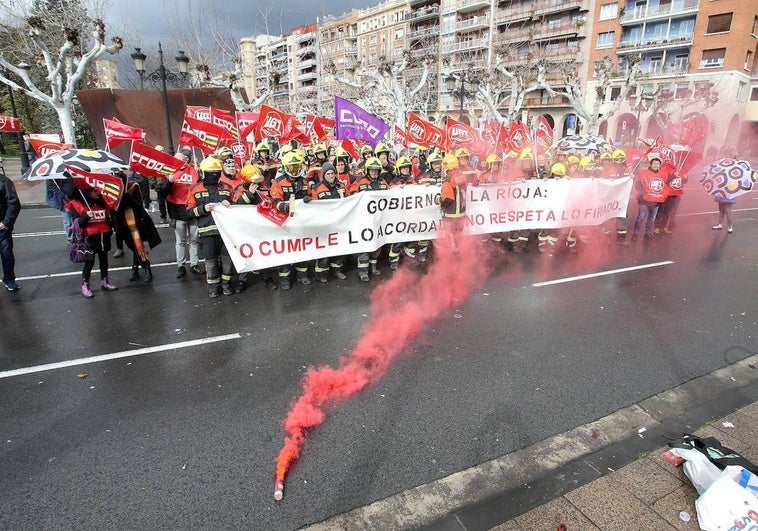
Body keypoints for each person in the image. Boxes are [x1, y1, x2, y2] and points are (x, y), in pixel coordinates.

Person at [187, 157, 235, 297]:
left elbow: (236, 207)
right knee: (211, 262)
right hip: (207, 233)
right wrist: (203, 209)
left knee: (227, 261)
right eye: (210, 173)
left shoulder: (227, 188)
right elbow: (188, 212)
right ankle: (214, 287)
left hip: (225, 233)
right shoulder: (194, 189)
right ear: (203, 173)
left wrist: (230, 204)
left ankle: (226, 284)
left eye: (216, 172)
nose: (214, 176)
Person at [65, 183, 118, 298]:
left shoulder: (102, 203)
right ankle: (85, 285)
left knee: (104, 260)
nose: (97, 193)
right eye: (94, 191)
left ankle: (105, 281)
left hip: (104, 236)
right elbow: (76, 223)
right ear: (87, 193)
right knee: (89, 262)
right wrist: (86, 216)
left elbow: (109, 217)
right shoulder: (77, 205)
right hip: (90, 238)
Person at [114, 172, 161, 283]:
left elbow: (138, 204)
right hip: (122, 223)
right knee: (133, 246)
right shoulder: (114, 192)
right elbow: (114, 209)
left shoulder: (132, 187)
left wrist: (126, 196)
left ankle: (145, 268)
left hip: (135, 221)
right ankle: (136, 268)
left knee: (137, 246)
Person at [312, 162, 347, 282]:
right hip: (324, 224)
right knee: (324, 251)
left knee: (338, 249)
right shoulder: (317, 188)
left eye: (332, 173)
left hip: (339, 223)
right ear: (323, 175)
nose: (331, 175)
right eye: (328, 174)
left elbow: (349, 201)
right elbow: (313, 207)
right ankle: (321, 275)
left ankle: (336, 270)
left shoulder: (341, 186)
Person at [631, 153, 667, 242]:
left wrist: (676, 175)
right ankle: (635, 233)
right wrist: (644, 194)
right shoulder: (644, 173)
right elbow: (638, 185)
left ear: (659, 165)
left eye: (658, 164)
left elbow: (667, 181)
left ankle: (648, 234)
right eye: (654, 163)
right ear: (651, 164)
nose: (656, 165)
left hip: (656, 202)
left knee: (652, 219)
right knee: (640, 218)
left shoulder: (662, 175)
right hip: (644, 201)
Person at [0, 171, 21, 291]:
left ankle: (9, 279)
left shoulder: (4, 182)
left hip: (2, 227)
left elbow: (14, 203)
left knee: (6, 254)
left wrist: (6, 223)